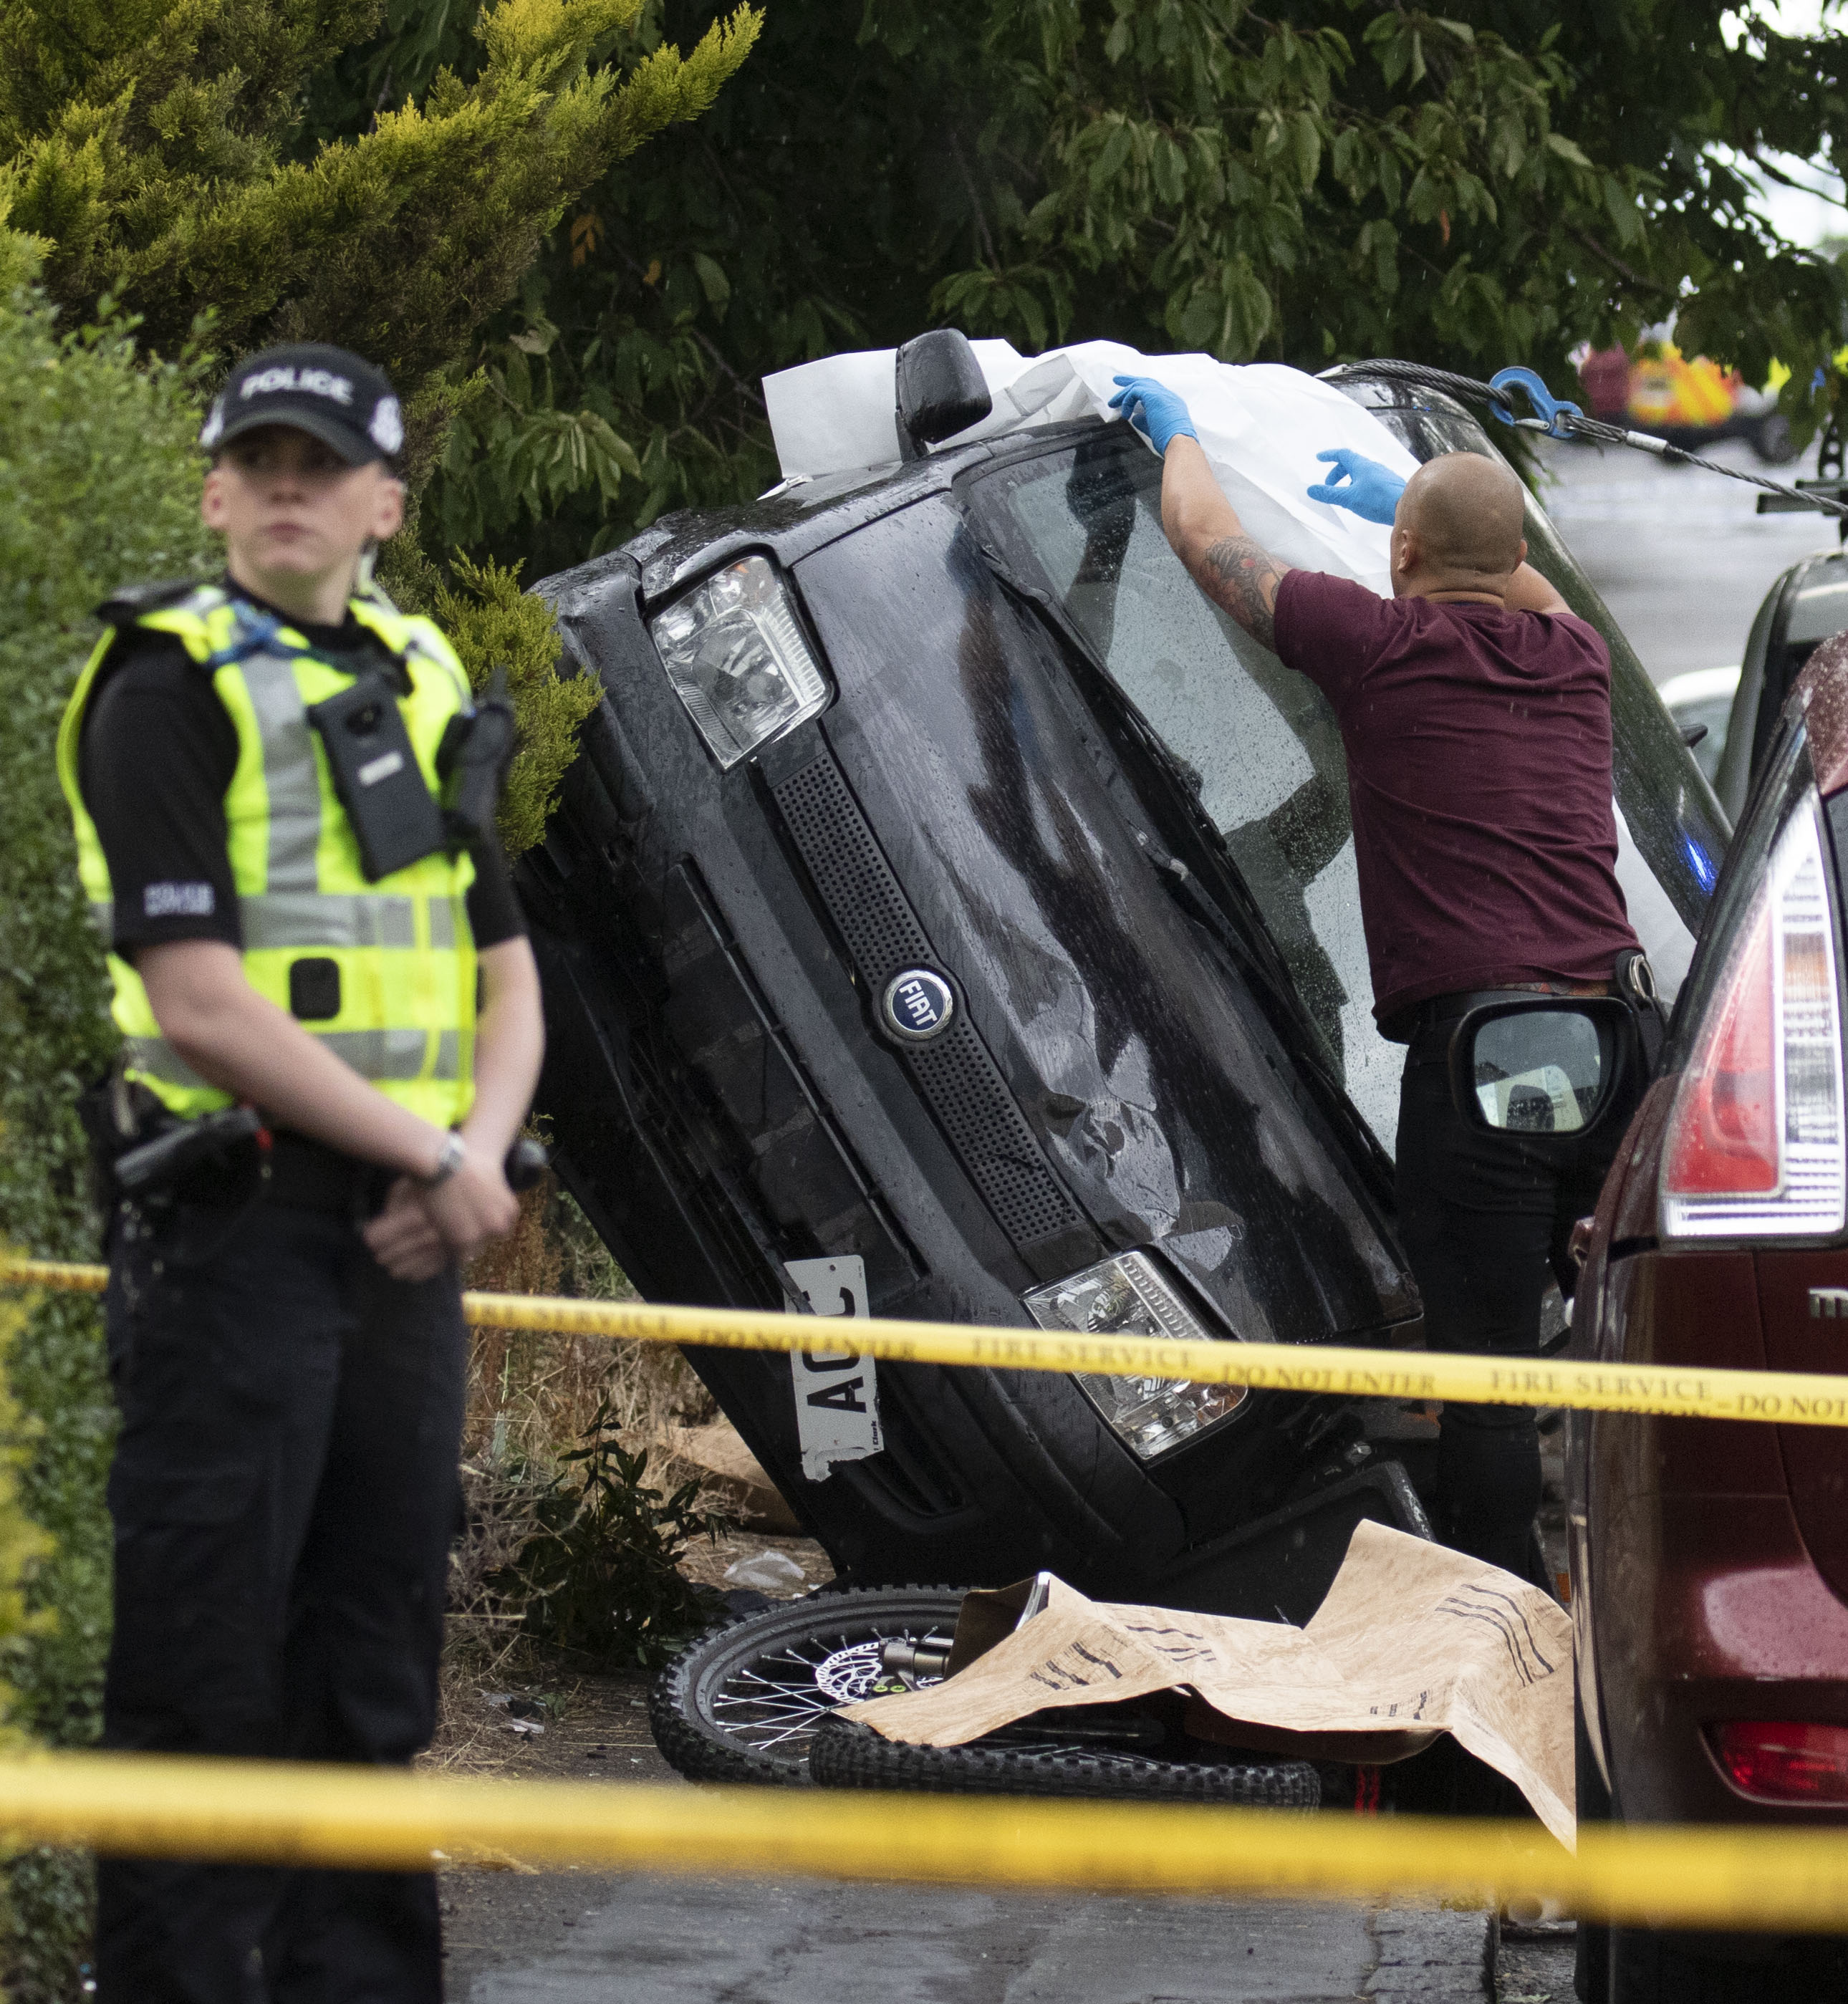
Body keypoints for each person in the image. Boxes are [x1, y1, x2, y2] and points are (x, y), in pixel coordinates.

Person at [56, 342, 544, 2002]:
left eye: (320, 464)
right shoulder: (162, 684)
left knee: (370, 1688)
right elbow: (198, 1002)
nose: (285, 486)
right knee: (201, 1692)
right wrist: (432, 1151)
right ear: (211, 493)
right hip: (235, 1235)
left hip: (404, 1246)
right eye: (255, 459)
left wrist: (471, 1159)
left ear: (384, 506)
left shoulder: (416, 671)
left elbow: (510, 974)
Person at [1108, 372, 1646, 1585]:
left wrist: (1178, 431)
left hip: (1490, 1064)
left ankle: (1497, 1631)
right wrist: (1421, 509)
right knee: (1645, 1353)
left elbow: (1205, 539)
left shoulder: (1375, 644)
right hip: (1618, 1053)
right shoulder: (1575, 658)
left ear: (1401, 553)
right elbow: (1523, 574)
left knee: (1488, 1382)